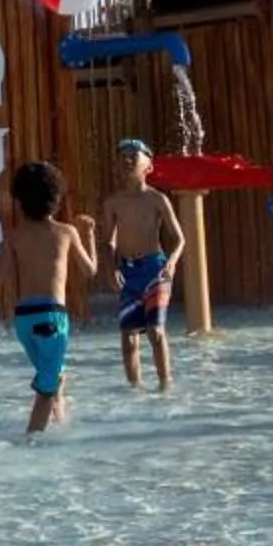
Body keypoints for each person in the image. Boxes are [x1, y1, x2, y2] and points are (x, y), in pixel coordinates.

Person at [0, 161, 98, 436]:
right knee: (48, 385)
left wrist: (2, 248)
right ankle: (32, 443)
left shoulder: (15, 236)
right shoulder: (66, 232)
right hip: (51, 318)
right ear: (56, 198)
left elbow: (2, 272)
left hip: (24, 322)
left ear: (19, 201)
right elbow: (90, 270)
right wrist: (89, 235)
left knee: (55, 373)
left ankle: (60, 423)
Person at [97, 138, 186, 391]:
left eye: (133, 156)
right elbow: (109, 242)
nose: (127, 160)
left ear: (149, 166)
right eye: (122, 156)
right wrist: (112, 268)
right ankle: (134, 389)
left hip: (154, 269)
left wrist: (171, 262)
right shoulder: (112, 203)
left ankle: (165, 385)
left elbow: (180, 238)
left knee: (155, 331)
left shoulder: (157, 199)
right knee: (129, 338)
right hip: (127, 269)